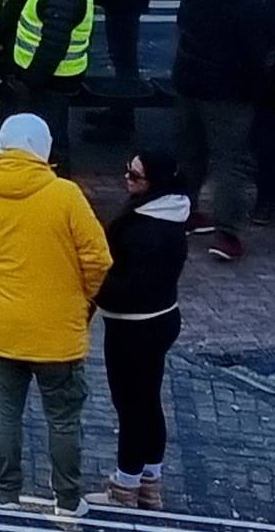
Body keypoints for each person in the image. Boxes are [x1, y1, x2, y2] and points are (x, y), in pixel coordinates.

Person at [0, 114, 112, 518]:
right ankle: (68, 501)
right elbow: (99, 259)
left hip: (3, 331)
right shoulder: (66, 195)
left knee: (3, 411)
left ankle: (4, 492)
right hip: (59, 334)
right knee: (64, 419)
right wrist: (81, 297)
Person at [173, 0, 275, 263]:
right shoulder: (250, 1)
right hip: (229, 93)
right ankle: (227, 233)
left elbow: (182, 26)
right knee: (230, 162)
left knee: (189, 153)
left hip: (188, 82)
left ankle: (183, 212)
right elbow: (255, 52)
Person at [91, 151, 190, 510]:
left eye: (134, 176)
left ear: (153, 183)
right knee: (149, 401)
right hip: (163, 319)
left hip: (131, 327)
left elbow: (124, 285)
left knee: (130, 405)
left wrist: (90, 284)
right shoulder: (173, 212)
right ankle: (151, 482)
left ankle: (125, 486)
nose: (126, 180)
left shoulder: (142, 227)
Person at [7, 0, 97, 165]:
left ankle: (53, 180)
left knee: (49, 140)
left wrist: (30, 81)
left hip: (48, 82)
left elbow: (52, 45)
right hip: (53, 79)